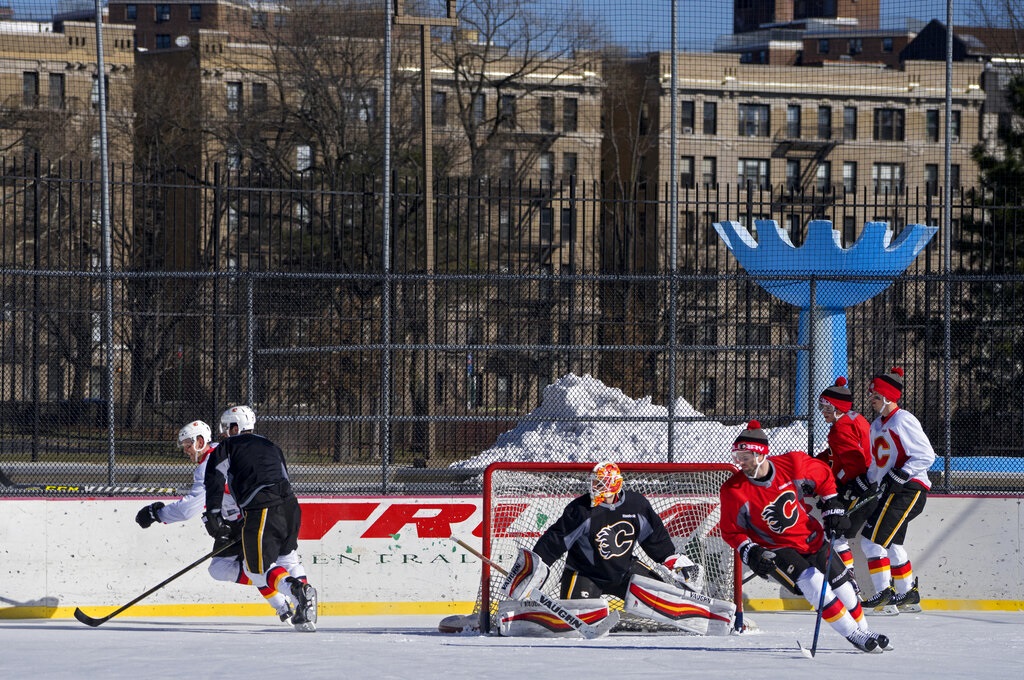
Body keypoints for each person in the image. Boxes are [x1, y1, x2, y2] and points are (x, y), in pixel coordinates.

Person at [719, 420, 891, 653]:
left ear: (760, 454)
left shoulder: (793, 464)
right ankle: (853, 634)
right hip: (778, 548)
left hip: (811, 537)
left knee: (844, 587)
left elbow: (824, 475)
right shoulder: (733, 490)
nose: (740, 462)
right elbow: (731, 530)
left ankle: (865, 631)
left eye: (745, 456)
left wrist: (832, 504)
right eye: (737, 456)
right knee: (814, 582)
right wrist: (749, 550)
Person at [203, 405, 318, 632]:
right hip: (291, 506)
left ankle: (296, 589)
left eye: (226, 427)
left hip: (262, 509)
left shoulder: (227, 447)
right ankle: (304, 613)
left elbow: (214, 479)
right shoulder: (270, 445)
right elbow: (284, 474)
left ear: (235, 427)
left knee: (256, 568)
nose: (223, 432)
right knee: (288, 559)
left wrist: (214, 515)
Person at [135, 420, 263, 602]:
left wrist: (156, 514)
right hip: (245, 517)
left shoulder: (207, 466)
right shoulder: (220, 449)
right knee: (220, 568)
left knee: (258, 566)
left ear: (200, 442)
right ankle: (282, 600)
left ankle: (280, 591)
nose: (186, 450)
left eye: (188, 445)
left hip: (246, 520)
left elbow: (188, 508)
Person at [859, 367, 933, 615]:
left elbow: (926, 455)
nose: (871, 399)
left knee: (871, 541)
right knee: (891, 544)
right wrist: (869, 482)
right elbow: (878, 464)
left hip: (909, 489)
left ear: (888, 397)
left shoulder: (903, 420)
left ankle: (884, 596)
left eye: (876, 396)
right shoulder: (876, 425)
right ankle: (907, 594)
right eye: (871, 395)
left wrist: (902, 473)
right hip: (892, 491)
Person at [815, 377, 876, 586]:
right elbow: (837, 455)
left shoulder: (840, 429)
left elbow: (855, 463)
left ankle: (848, 583)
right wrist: (817, 463)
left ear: (838, 407)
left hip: (859, 487)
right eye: (822, 407)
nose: (823, 412)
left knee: (835, 533)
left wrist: (838, 486)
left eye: (827, 407)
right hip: (868, 483)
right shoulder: (854, 418)